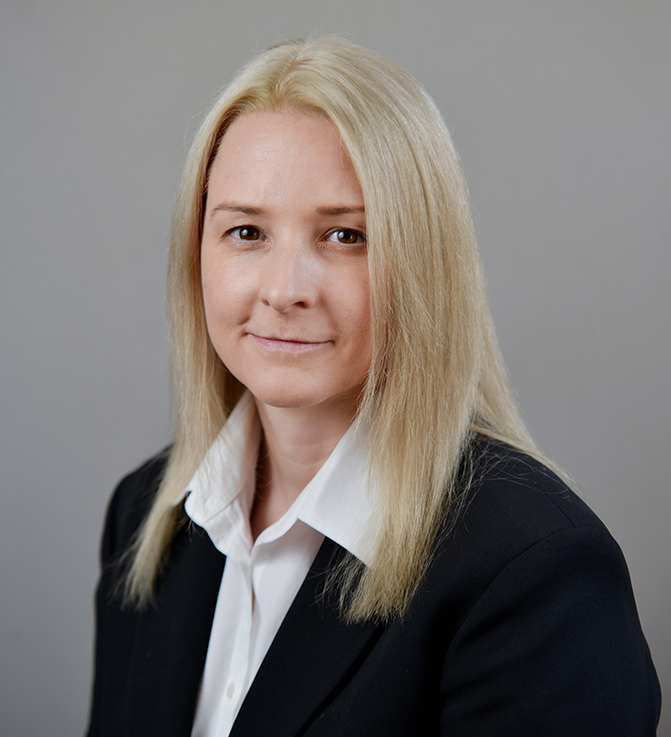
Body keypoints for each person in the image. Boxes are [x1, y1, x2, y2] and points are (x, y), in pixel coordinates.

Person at [86, 36, 661, 736]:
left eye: (345, 236)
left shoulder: (534, 571)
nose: (284, 290)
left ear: (423, 261)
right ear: (195, 253)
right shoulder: (145, 517)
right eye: (245, 231)